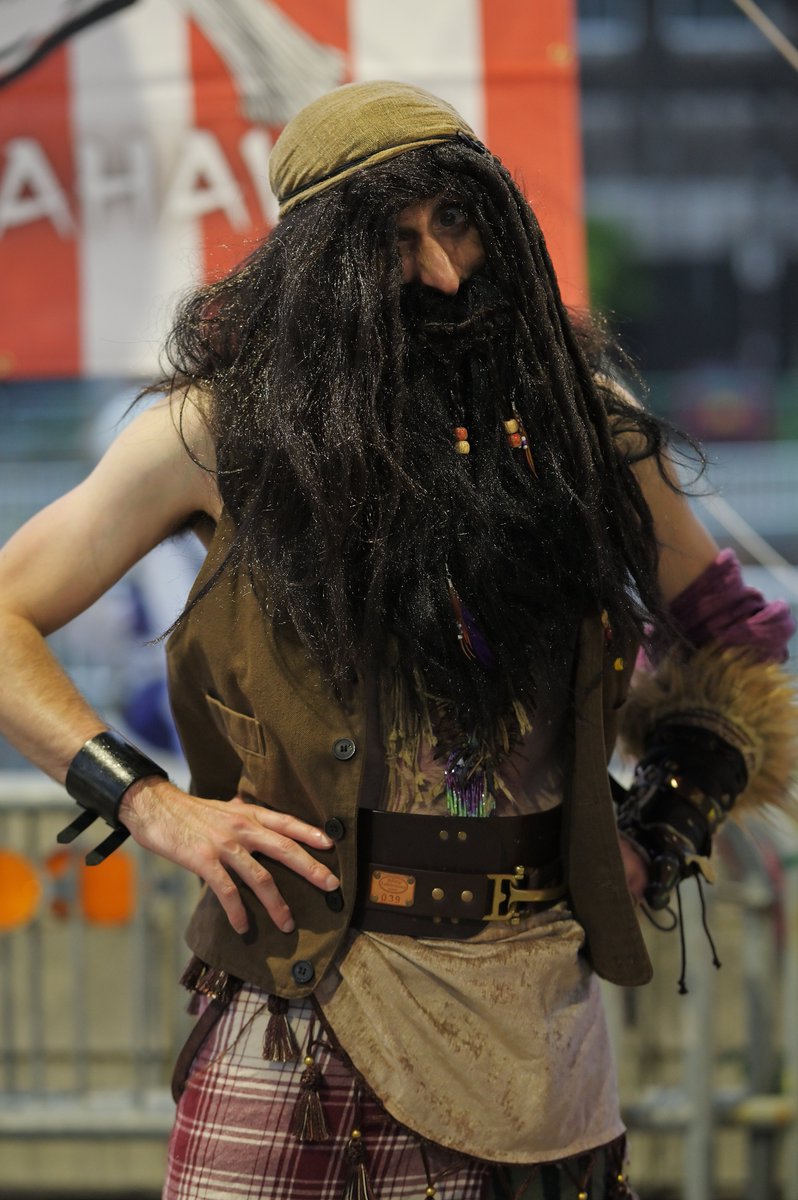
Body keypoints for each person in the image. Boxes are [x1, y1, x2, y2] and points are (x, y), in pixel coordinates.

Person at [0, 81, 795, 1200]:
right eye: (393, 242)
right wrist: (148, 803)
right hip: (291, 996)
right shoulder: (217, 431)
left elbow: (736, 645)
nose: (444, 273)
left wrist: (663, 826)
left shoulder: (589, 431)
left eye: (456, 222)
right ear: (319, 267)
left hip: (528, 1018)